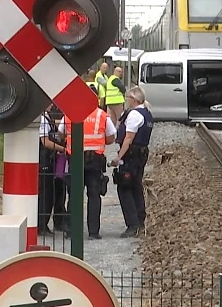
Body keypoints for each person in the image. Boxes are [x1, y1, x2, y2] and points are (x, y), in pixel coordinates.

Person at [59, 105, 117, 240]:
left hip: (75, 159)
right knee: (94, 195)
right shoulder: (101, 115)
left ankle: (71, 230)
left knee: (74, 195)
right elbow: (111, 137)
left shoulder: (70, 113)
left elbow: (61, 133)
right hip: (94, 160)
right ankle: (93, 231)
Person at [111, 86, 154, 238]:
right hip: (140, 154)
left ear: (134, 100)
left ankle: (133, 224)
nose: (126, 100)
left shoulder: (135, 115)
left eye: (128, 98)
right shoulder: (147, 113)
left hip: (131, 155)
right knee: (136, 185)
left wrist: (118, 157)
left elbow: (128, 138)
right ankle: (140, 221)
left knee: (125, 187)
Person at [37, 104, 68, 236]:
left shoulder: (46, 117)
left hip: (49, 160)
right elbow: (45, 142)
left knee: (51, 192)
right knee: (45, 193)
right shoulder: (42, 119)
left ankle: (47, 222)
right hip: (44, 160)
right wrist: (62, 149)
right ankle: (41, 224)